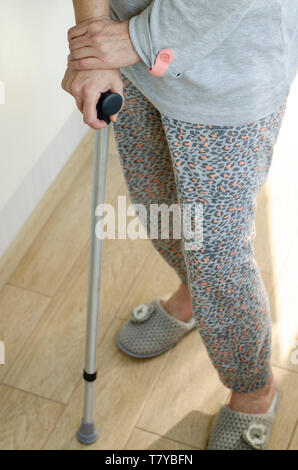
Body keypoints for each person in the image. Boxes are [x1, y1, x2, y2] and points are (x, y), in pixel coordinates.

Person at [62, 0, 298, 450]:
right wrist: (95, 33)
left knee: (216, 257)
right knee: (158, 208)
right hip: (128, 62)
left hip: (228, 72)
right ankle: (193, 295)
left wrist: (134, 37)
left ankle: (253, 389)